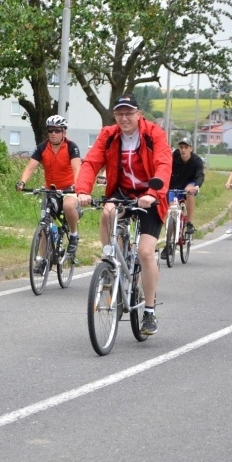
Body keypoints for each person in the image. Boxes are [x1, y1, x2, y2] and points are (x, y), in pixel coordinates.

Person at [75, 93, 171, 335]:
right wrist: (83, 190)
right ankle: (110, 261)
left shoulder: (153, 134)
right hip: (122, 192)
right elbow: (91, 163)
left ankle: (149, 311)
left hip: (150, 196)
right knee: (108, 212)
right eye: (120, 114)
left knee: (146, 252)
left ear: (139, 114)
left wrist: (152, 193)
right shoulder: (108, 134)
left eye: (129, 113)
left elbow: (163, 164)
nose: (124, 118)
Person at [16, 115, 82, 264]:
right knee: (44, 222)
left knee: (68, 205)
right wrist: (22, 182)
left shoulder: (72, 147)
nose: (53, 133)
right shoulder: (42, 147)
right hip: (51, 190)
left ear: (64, 132)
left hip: (68, 189)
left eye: (57, 130)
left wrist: (76, 185)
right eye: (50, 130)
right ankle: (43, 261)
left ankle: (73, 235)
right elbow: (30, 167)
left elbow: (77, 168)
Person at [167, 137, 204, 238]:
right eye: (181, 147)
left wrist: (196, 186)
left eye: (186, 147)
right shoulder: (174, 157)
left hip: (189, 184)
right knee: (172, 211)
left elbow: (200, 175)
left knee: (189, 192)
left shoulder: (197, 161)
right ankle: (169, 241)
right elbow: (166, 169)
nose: (183, 150)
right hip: (174, 185)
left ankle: (190, 223)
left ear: (191, 148)